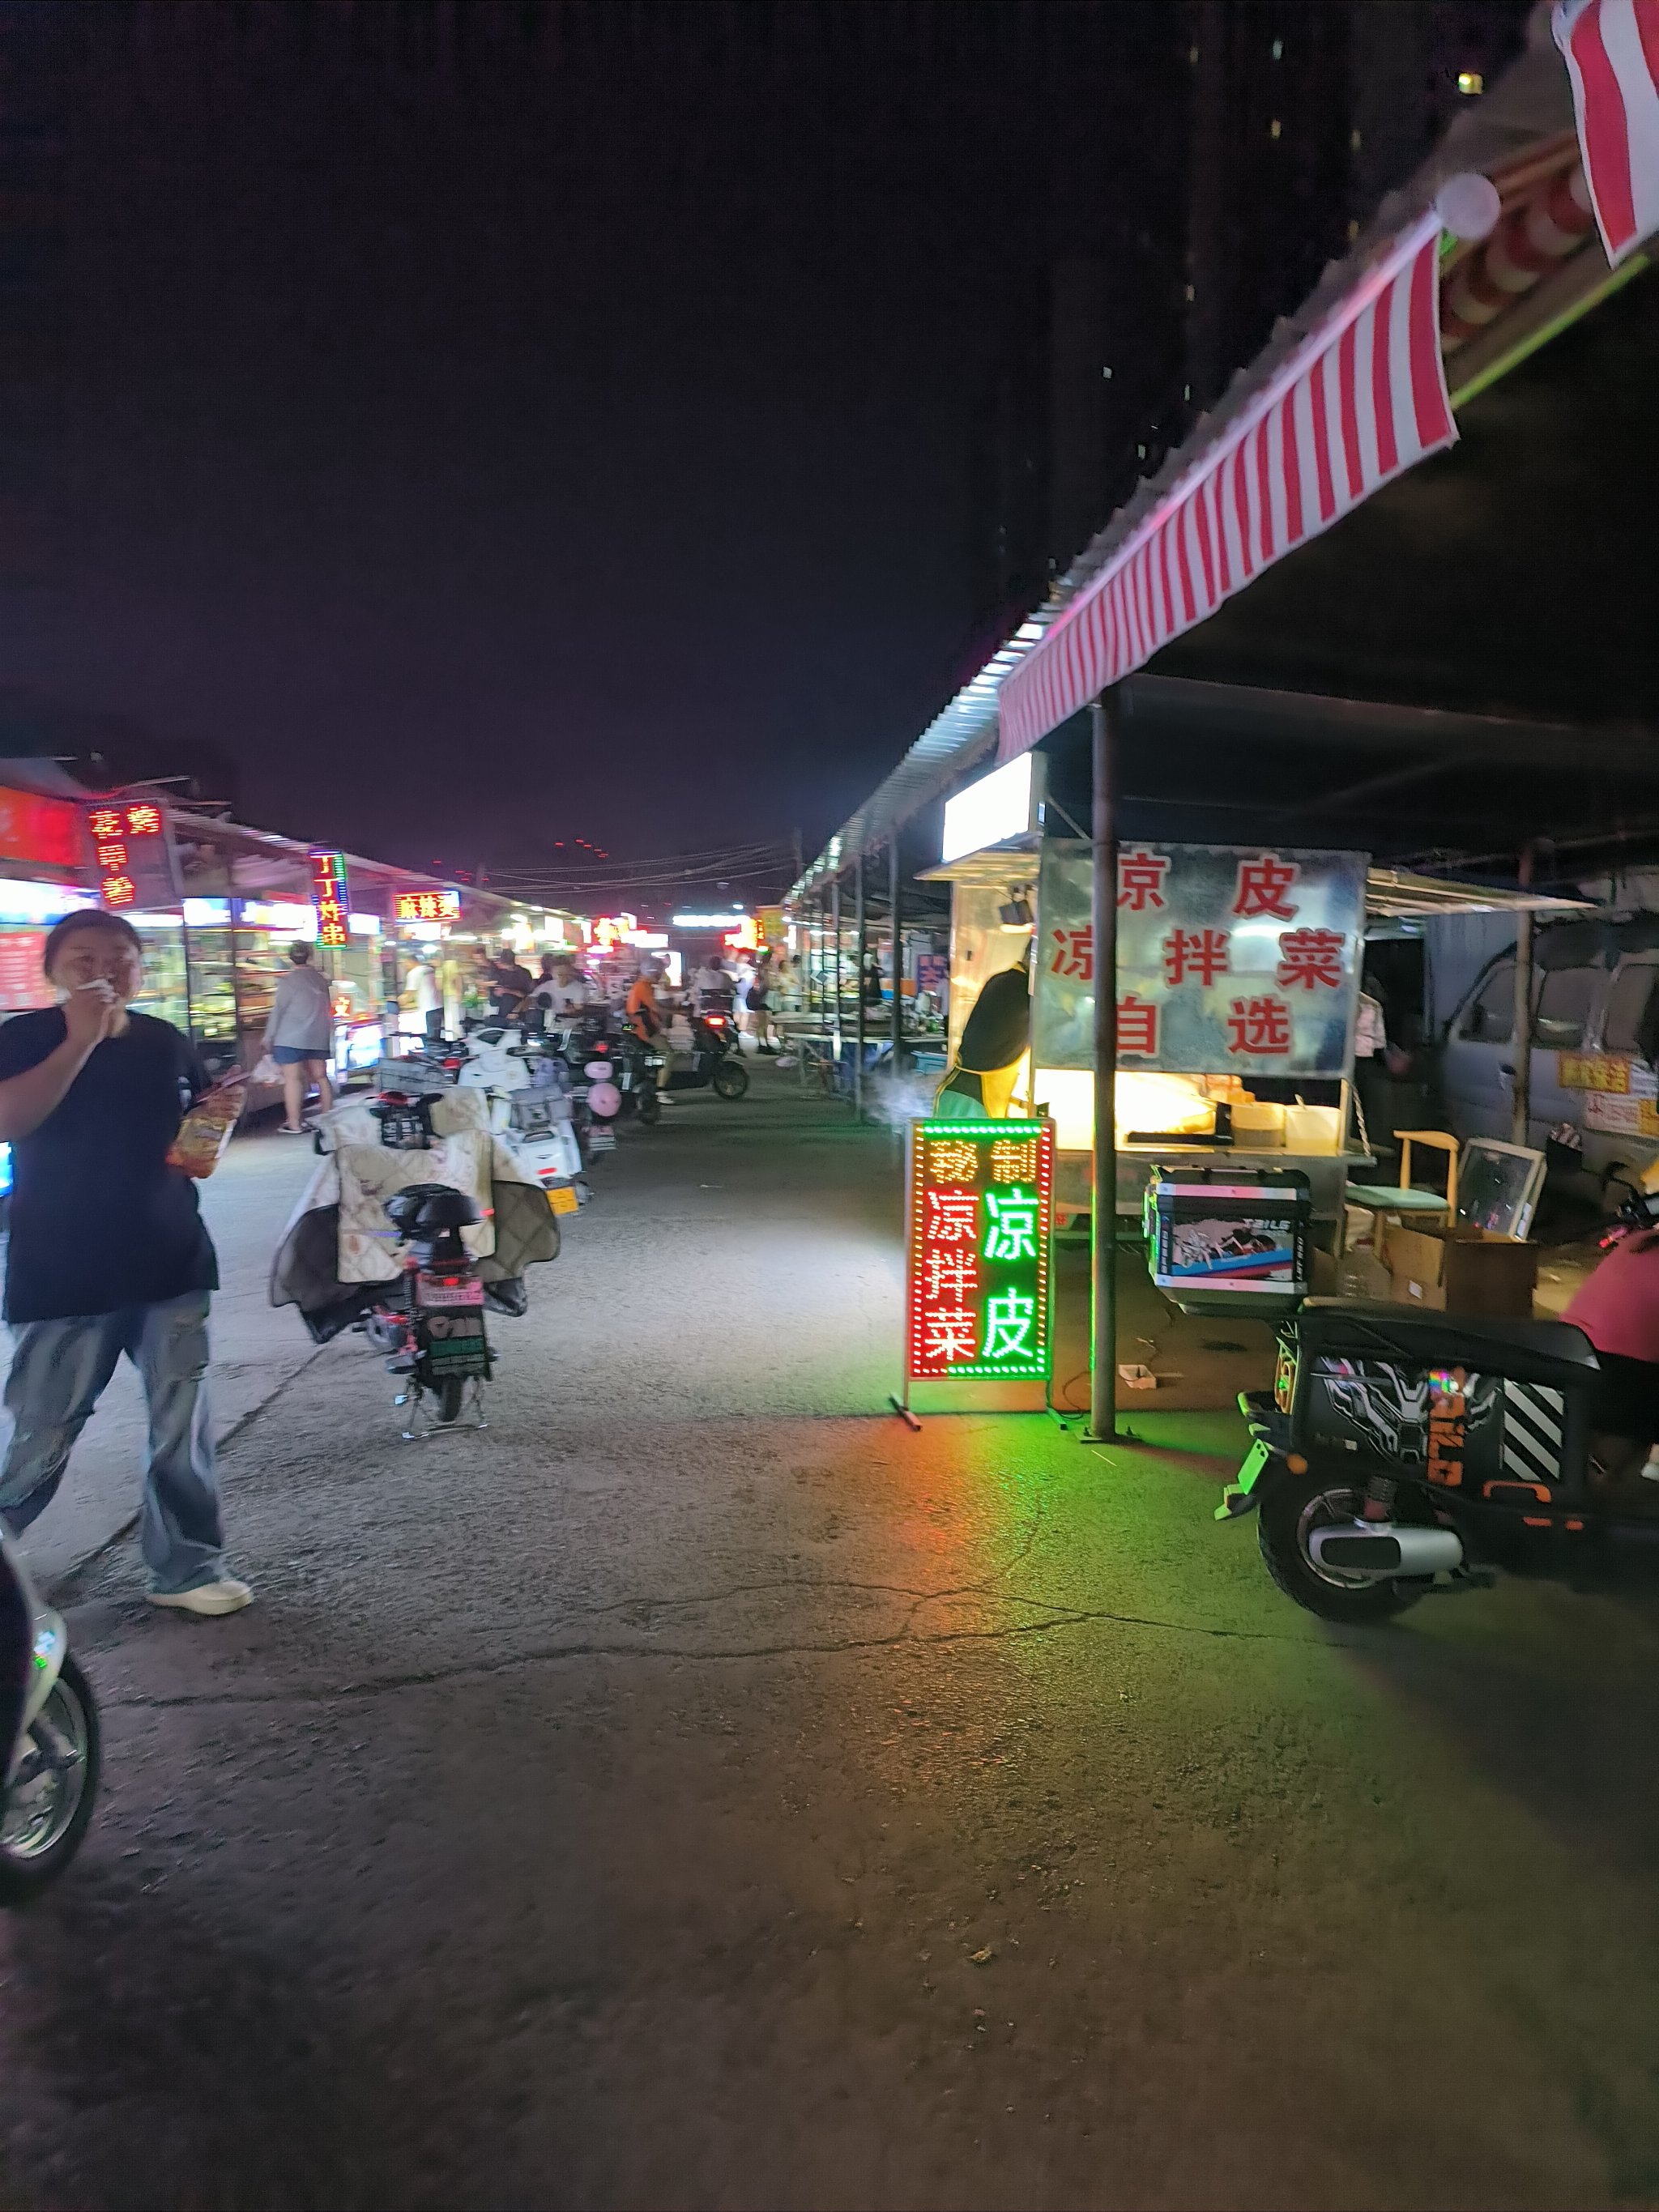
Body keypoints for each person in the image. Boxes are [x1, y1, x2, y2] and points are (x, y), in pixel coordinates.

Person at [0, 910, 252, 1615]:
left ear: (143, 968)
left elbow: (192, 1153)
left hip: (170, 1257)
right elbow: (8, 1122)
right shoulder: (24, 1036)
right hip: (62, 1268)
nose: (105, 969)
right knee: (42, 1433)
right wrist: (80, 1041)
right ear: (52, 970)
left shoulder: (165, 1040)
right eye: (83, 957)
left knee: (182, 1424)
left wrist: (216, 1116)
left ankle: (187, 1569)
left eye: (122, 956)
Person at [263, 940, 335, 1133]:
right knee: (321, 1077)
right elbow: (328, 1008)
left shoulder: (289, 981)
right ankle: (327, 1120)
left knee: (293, 1079)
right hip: (318, 1036)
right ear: (310, 955)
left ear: (290, 958)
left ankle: (294, 1123)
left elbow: (278, 1011)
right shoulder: (321, 980)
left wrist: (268, 1036)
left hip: (290, 1038)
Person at [522, 952, 592, 1026]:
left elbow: (581, 1009)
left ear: (570, 972)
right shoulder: (545, 986)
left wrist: (574, 1011)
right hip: (549, 1025)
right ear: (552, 973)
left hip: (571, 1026)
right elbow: (530, 999)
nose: (562, 978)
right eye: (559, 974)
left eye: (566, 974)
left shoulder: (579, 988)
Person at [403, 951, 443, 1040]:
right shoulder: (429, 969)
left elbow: (408, 994)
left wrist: (398, 1001)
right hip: (439, 1007)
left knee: (430, 1040)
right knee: (436, 1039)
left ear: (412, 961)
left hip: (428, 1010)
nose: (405, 965)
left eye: (406, 962)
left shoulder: (414, 973)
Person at [490, 945, 534, 1022]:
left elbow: (528, 996)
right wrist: (497, 993)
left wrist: (507, 991)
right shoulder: (500, 973)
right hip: (503, 1010)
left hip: (520, 1011)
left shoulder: (523, 974)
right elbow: (495, 993)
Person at [625, 958, 664, 1042]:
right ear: (654, 973)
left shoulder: (644, 985)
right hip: (642, 1029)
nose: (661, 975)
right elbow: (656, 1008)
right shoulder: (642, 987)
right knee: (668, 1052)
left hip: (642, 1025)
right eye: (660, 972)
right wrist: (680, 1012)